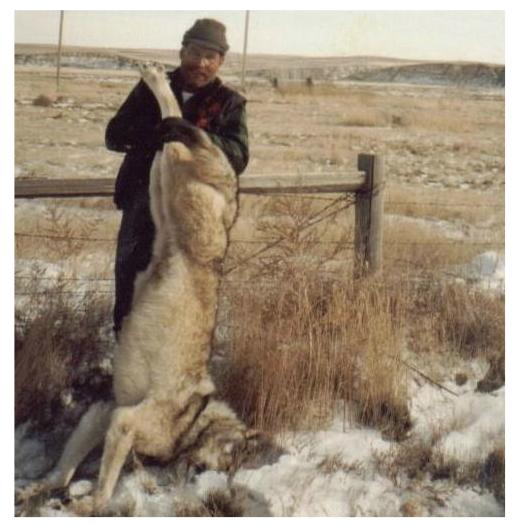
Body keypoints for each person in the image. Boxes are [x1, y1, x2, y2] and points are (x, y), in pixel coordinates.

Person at [105, 18, 249, 336]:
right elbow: (114, 135)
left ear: (221, 61)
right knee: (132, 283)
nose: (201, 63)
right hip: (142, 204)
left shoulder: (229, 102)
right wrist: (154, 133)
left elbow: (238, 156)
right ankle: (124, 349)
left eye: (210, 56)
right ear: (182, 52)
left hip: (195, 211)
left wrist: (192, 136)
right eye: (195, 53)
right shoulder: (151, 87)